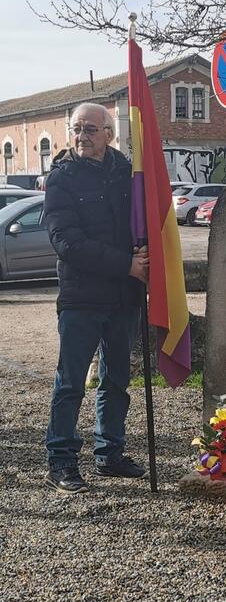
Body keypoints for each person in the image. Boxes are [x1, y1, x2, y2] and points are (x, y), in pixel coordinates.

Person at [44, 102, 149, 494]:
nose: (82, 135)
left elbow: (144, 223)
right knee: (71, 383)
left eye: (90, 128)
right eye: (76, 128)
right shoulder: (61, 179)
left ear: (110, 133)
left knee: (117, 381)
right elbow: (66, 243)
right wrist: (126, 264)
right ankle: (60, 460)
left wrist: (145, 255)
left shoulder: (129, 174)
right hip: (82, 298)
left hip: (124, 298)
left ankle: (110, 453)